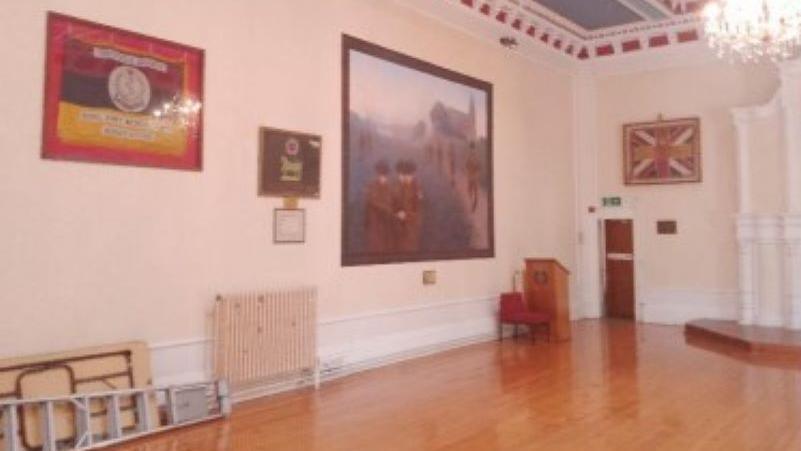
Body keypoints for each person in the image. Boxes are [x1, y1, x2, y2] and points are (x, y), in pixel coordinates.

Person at [364, 160, 396, 253]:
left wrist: (393, 211)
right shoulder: (371, 186)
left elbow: (394, 201)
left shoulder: (390, 187)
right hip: (375, 221)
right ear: (378, 174)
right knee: (376, 245)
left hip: (387, 221)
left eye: (385, 175)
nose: (383, 177)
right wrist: (387, 209)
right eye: (381, 175)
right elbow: (372, 201)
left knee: (388, 245)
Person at [394, 160, 423, 252]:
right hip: (402, 221)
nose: (408, 177)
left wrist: (408, 214)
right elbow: (396, 201)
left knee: (411, 244)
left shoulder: (416, 186)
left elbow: (418, 205)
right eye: (407, 175)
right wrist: (398, 212)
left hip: (412, 221)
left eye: (410, 175)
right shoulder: (400, 186)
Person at [466, 142, 481, 213]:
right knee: (475, 190)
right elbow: (479, 166)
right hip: (476, 175)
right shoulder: (477, 155)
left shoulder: (469, 155)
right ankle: (475, 200)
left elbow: (466, 165)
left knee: (469, 190)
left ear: (470, 147)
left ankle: (472, 203)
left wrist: (470, 167)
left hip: (470, 175)